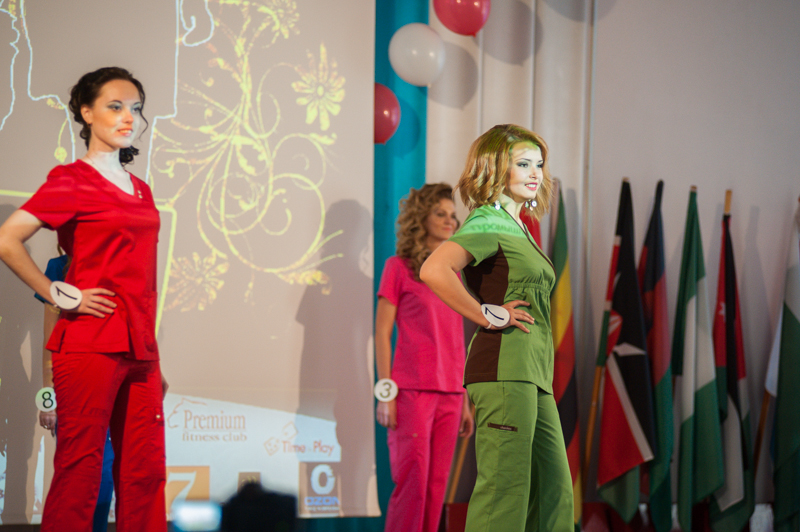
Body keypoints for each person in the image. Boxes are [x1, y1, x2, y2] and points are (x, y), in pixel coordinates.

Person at [0, 66, 168, 532]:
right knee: (81, 471)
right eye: (115, 107)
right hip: (90, 343)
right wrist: (57, 292)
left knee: (146, 471)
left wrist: (154, 358)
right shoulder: (72, 179)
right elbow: (7, 239)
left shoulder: (142, 189)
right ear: (86, 112)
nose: (129, 117)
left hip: (140, 347)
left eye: (135, 108)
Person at [420, 125, 574, 531]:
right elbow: (434, 270)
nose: (535, 173)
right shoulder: (489, 221)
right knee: (504, 493)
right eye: (523, 164)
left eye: (539, 164)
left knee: (555, 492)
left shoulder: (517, 225)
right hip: (505, 370)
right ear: (494, 167)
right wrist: (488, 314)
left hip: (534, 374)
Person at [375, 183, 474, 532]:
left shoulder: (455, 274)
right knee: (413, 486)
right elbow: (382, 334)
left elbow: (456, 340)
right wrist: (386, 394)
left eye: (453, 215)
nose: (450, 221)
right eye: (440, 213)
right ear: (422, 218)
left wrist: (464, 399)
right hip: (412, 391)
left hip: (451, 394)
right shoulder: (398, 267)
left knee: (436, 488)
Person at [35, 252, 115, 532]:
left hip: (111, 379)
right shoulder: (59, 267)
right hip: (73, 383)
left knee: (105, 476)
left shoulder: (114, 263)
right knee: (76, 476)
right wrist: (48, 399)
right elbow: (49, 338)